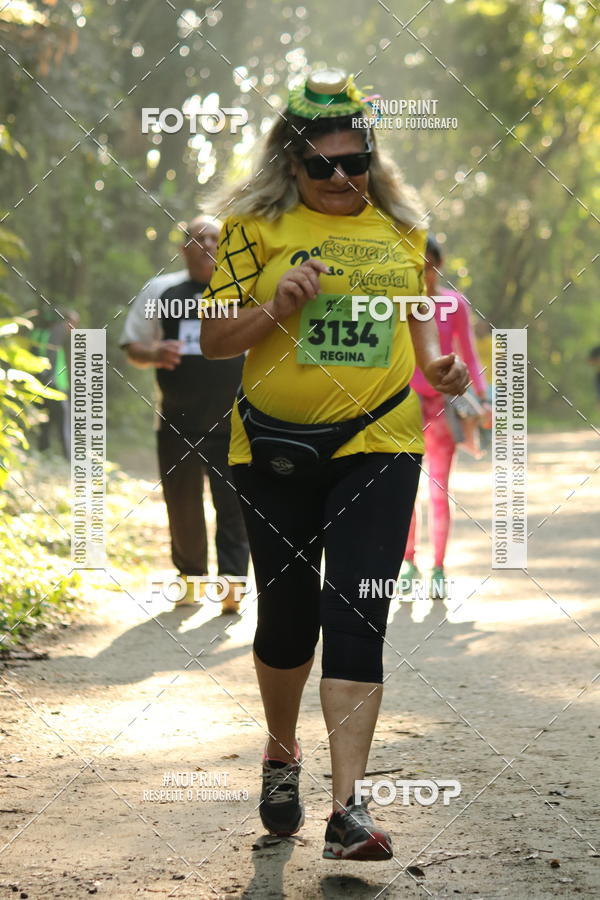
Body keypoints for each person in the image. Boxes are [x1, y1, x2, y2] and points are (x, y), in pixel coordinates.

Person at [200, 69, 469, 860]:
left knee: (359, 611)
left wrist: (444, 372)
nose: (342, 176)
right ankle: (282, 750)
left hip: (380, 443)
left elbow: (425, 344)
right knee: (288, 620)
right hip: (274, 449)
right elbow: (214, 340)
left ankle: (348, 809)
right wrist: (274, 307)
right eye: (323, 165)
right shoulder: (251, 229)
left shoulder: (403, 233)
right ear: (292, 165)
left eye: (356, 160)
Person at [120, 215, 249, 613]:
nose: (209, 244)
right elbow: (133, 345)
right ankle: (190, 578)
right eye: (199, 238)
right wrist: (156, 353)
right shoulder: (161, 291)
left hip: (235, 420)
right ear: (184, 248)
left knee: (234, 503)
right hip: (177, 419)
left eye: (216, 237)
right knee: (183, 504)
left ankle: (232, 586)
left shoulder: (245, 289)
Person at [403, 237, 490, 599]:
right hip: (402, 406)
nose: (425, 271)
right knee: (404, 490)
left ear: (439, 264)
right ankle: (408, 563)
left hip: (441, 407)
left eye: (429, 263)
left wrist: (482, 399)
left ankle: (438, 568)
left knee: (439, 489)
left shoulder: (454, 304)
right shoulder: (400, 301)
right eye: (417, 264)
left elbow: (467, 354)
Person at [33, 308, 80, 458]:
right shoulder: (58, 330)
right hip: (55, 384)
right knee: (64, 419)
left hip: (40, 383)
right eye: (73, 323)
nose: (73, 328)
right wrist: (51, 378)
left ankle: (43, 450)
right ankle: (69, 455)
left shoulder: (39, 334)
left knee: (45, 418)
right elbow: (51, 355)